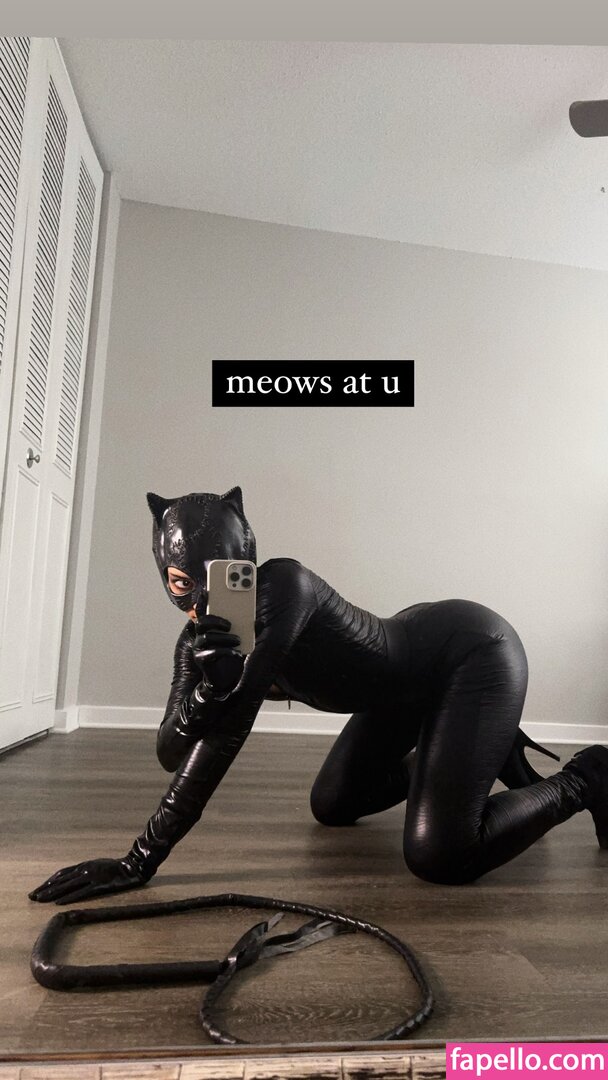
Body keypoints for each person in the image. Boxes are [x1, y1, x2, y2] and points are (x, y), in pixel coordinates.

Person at [29, 487, 608, 904]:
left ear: (245, 561)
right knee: (332, 805)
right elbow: (170, 751)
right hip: (403, 690)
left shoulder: (285, 587)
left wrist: (139, 861)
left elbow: (228, 737)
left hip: (471, 652)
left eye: (221, 576)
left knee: (441, 856)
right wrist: (208, 692)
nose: (202, 604)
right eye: (182, 583)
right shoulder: (197, 645)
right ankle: (467, 751)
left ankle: (588, 776)